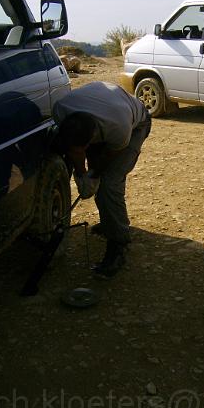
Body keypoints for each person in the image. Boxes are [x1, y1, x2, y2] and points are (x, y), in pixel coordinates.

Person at [52, 81, 151, 279]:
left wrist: (92, 175)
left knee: (108, 184)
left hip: (136, 125)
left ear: (92, 140)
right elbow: (73, 150)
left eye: (84, 149)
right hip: (104, 112)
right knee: (81, 162)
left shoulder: (119, 130)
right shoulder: (60, 110)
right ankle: (109, 222)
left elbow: (104, 161)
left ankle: (118, 245)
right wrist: (80, 174)